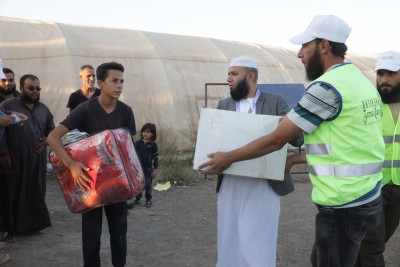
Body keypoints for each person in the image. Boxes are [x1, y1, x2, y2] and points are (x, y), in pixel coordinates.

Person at [199, 15, 384, 267]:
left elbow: (276, 140)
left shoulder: (327, 88)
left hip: (343, 204)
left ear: (323, 45)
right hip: (367, 195)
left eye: (304, 46)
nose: (299, 54)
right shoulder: (361, 83)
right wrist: (293, 159)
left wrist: (228, 157)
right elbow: (344, 144)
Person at [210, 56, 303, 267]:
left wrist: (287, 125)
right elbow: (214, 140)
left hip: (265, 181)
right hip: (231, 179)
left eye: (234, 74)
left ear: (250, 75)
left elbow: (298, 139)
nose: (228, 78)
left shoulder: (275, 101)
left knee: (259, 240)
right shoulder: (223, 104)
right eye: (228, 74)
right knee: (229, 237)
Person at [47, 62, 136, 267]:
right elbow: (53, 137)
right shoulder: (85, 109)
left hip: (118, 184)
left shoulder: (126, 112)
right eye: (114, 81)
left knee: (119, 233)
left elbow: (129, 148)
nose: (120, 85)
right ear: (101, 83)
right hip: (90, 183)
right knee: (91, 237)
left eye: (122, 81)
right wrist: (71, 164)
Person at [355, 50, 400, 267]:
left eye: (391, 74)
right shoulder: (368, 104)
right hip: (373, 186)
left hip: (398, 187)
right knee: (373, 245)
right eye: (380, 74)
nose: (384, 80)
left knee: (379, 240)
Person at [0, 74, 53, 242]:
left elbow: (51, 130)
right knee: (12, 192)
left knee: (35, 190)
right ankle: (10, 228)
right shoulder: (8, 105)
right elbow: (1, 132)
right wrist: (3, 152)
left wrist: (47, 140)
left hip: (36, 160)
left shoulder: (44, 109)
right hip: (13, 158)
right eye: (31, 88)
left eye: (38, 88)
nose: (35, 92)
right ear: (21, 89)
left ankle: (34, 225)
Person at [127, 123, 159, 209]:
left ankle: (148, 200)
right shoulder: (138, 143)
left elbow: (156, 157)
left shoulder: (153, 145)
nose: (145, 133)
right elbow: (133, 155)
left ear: (153, 134)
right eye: (144, 131)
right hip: (137, 168)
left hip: (148, 168)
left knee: (148, 184)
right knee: (138, 183)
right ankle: (138, 199)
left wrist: (155, 169)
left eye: (148, 132)